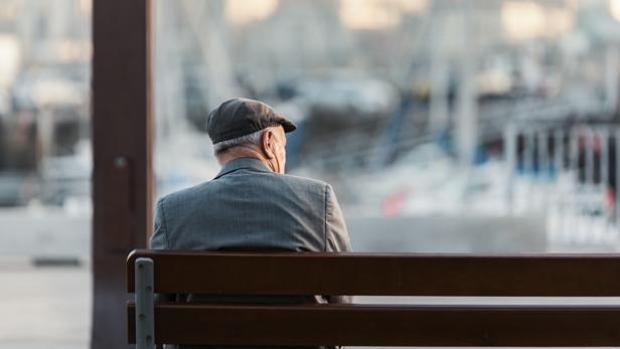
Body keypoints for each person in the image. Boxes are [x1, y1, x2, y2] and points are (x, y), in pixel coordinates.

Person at [150, 97, 352, 306]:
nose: (283, 156)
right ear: (268, 142)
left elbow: (157, 304)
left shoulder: (172, 210)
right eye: (282, 146)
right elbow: (342, 295)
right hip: (296, 337)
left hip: (207, 338)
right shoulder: (318, 198)